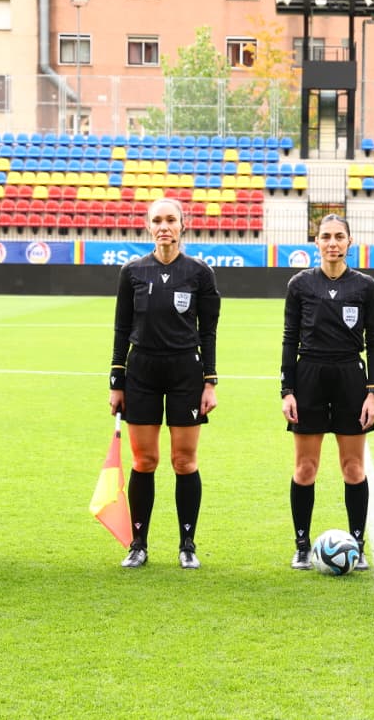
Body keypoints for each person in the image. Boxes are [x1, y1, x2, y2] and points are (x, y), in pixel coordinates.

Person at [109, 197, 220, 569]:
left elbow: (209, 332)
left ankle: (187, 544)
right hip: (141, 371)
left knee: (184, 461)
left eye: (171, 219)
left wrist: (210, 382)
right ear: (147, 226)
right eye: (157, 220)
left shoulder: (200, 273)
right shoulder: (133, 272)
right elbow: (122, 328)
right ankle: (138, 543)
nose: (164, 226)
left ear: (182, 225)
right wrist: (116, 379)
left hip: (185, 372)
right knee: (145, 460)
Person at [282, 215, 374, 571]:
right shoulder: (300, 284)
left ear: (350, 242)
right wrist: (287, 390)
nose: (332, 243)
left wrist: (373, 392)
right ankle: (301, 545)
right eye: (325, 237)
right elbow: (289, 338)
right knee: (305, 467)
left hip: (350, 379)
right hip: (309, 375)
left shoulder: (366, 286)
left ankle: (357, 542)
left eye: (339, 237)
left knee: (353, 467)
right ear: (316, 242)